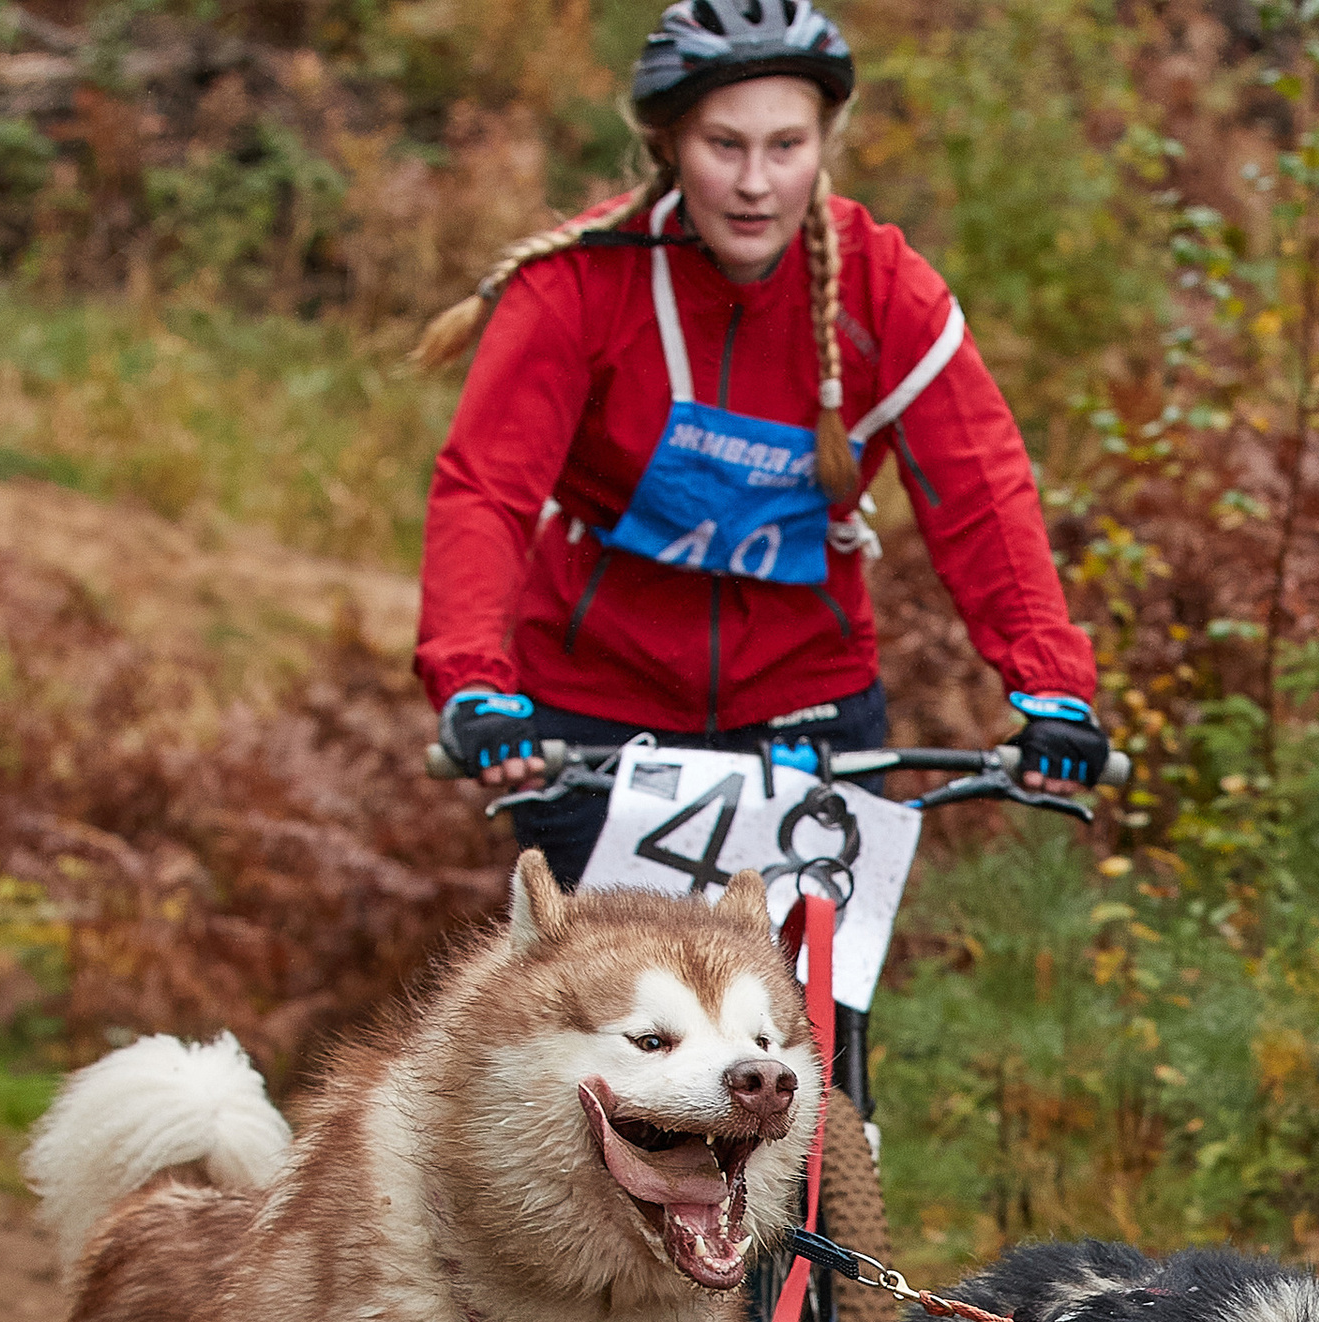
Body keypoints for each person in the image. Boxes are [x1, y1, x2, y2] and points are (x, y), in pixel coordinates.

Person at [412, 0, 1110, 938]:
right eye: (723, 145)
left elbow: (982, 496)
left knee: (809, 1039)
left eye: (786, 147)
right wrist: (473, 683)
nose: (754, 183)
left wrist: (1050, 688)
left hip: (808, 706)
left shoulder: (885, 291)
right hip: (595, 710)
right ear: (669, 144)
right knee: (625, 1043)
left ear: (825, 144)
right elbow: (487, 493)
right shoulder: (579, 284)